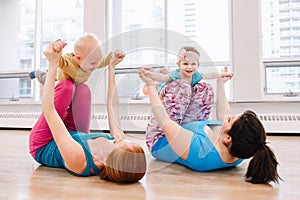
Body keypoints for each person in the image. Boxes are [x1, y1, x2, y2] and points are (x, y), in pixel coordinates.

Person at [29, 41, 146, 184]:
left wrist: (53, 63)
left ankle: (43, 80)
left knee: (66, 86)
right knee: (83, 89)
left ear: (107, 161)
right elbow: (112, 105)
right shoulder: (117, 150)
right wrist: (111, 67)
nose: (118, 137)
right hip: (74, 134)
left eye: (117, 142)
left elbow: (49, 110)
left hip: (44, 143)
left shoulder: (79, 160)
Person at [138, 68, 281, 184]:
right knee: (203, 88)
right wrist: (220, 83)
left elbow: (164, 120)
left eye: (231, 120)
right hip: (187, 127)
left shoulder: (198, 151)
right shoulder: (241, 150)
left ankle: (157, 87)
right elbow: (224, 115)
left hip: (160, 138)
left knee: (179, 87)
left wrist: (151, 86)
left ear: (227, 138)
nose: (228, 118)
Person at [28, 33, 124, 96]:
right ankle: (36, 73)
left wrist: (115, 54)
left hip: (74, 82)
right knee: (45, 78)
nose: (96, 65)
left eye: (97, 61)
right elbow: (57, 60)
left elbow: (104, 60)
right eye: (93, 63)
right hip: (57, 77)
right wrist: (57, 48)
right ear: (78, 58)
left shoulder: (92, 63)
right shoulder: (69, 64)